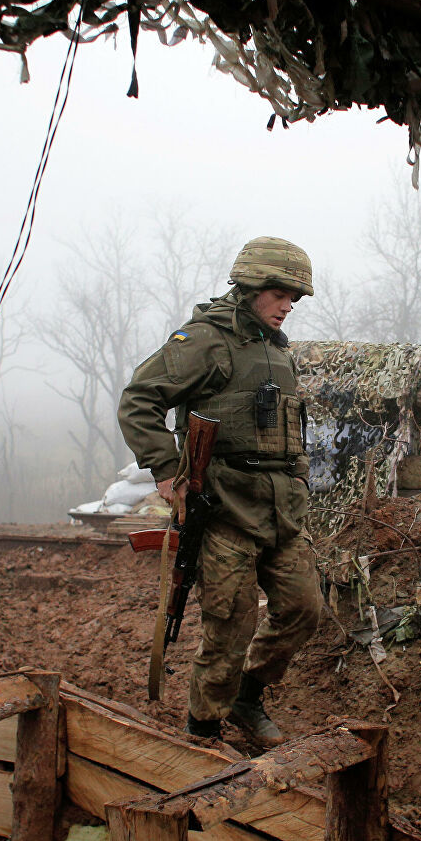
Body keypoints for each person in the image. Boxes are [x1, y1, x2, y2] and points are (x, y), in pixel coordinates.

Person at [118, 236, 321, 747]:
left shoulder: (276, 349)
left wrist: (299, 475)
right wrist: (166, 471)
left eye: (294, 296)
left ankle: (247, 699)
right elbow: (139, 400)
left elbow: (287, 425)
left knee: (303, 608)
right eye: (280, 293)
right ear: (252, 286)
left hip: (281, 509)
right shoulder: (207, 340)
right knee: (229, 625)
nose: (288, 305)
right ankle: (203, 730)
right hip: (224, 506)